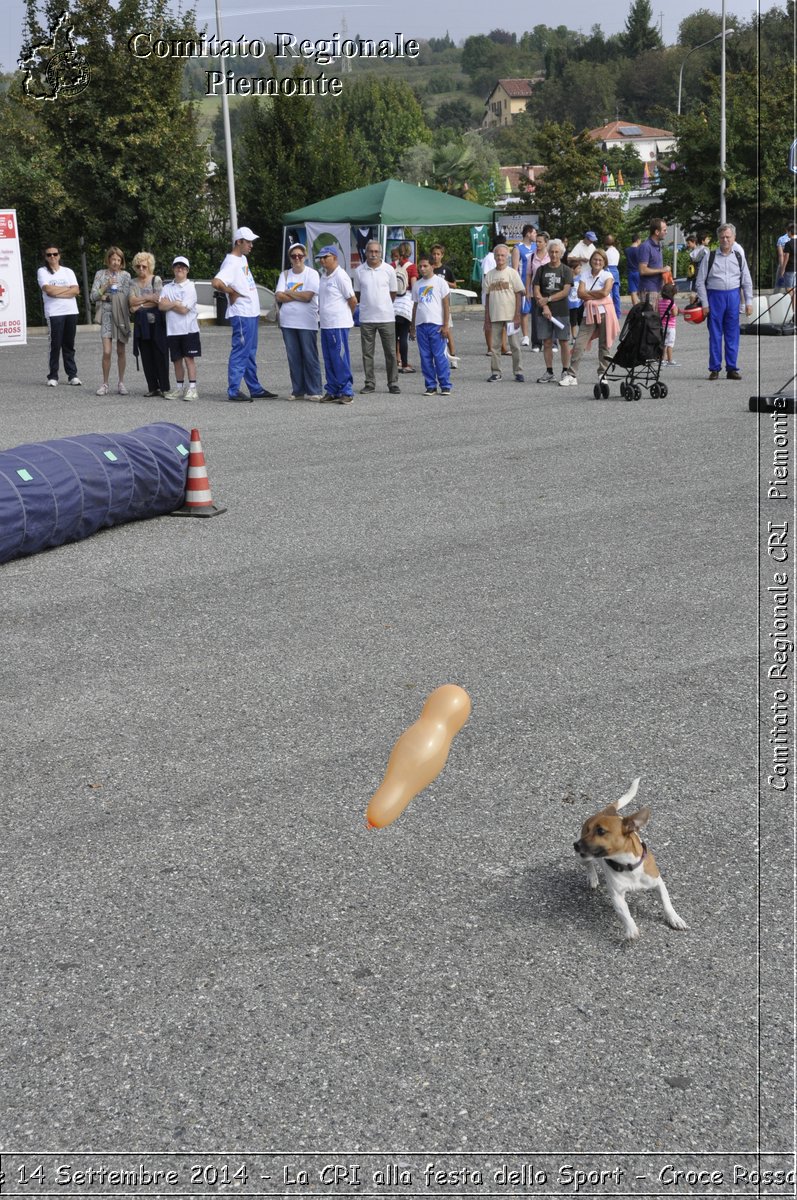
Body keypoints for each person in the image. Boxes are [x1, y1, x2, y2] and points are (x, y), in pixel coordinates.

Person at [212, 226, 277, 402]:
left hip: (250, 312)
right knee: (241, 350)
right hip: (241, 313)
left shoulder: (242, 260)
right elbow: (216, 282)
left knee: (249, 352)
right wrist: (231, 292)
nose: (251, 245)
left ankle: (254, 387)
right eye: (248, 242)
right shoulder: (231, 262)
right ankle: (233, 390)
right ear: (238, 242)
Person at [695, 222, 754, 381]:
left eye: (728, 237)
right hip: (715, 297)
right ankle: (714, 369)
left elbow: (746, 280)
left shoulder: (739, 256)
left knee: (732, 334)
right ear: (718, 239)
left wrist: (748, 301)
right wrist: (705, 304)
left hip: (733, 296)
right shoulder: (710, 257)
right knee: (715, 334)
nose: (725, 240)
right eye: (722, 237)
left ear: (734, 238)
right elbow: (700, 282)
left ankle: (732, 368)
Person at [560, 247, 618, 386]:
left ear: (604, 262)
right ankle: (571, 375)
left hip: (605, 312)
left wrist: (589, 294)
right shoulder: (585, 274)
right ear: (591, 261)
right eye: (595, 259)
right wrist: (595, 294)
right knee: (579, 343)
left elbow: (605, 292)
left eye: (600, 260)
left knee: (604, 345)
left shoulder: (607, 275)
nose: (597, 262)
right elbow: (580, 293)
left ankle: (602, 374)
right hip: (589, 313)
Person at [275, 244, 322, 401]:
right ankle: (298, 389)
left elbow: (309, 296)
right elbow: (279, 296)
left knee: (310, 356)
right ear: (290, 258)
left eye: (300, 255)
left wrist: (289, 293)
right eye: (294, 256)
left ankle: (314, 389)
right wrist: (297, 295)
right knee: (293, 357)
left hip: (307, 322)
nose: (297, 258)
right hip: (288, 322)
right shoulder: (285, 274)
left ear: (305, 256)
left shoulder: (312, 274)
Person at [354, 240, 400, 395]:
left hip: (386, 317)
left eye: (376, 252)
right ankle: (369, 383)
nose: (373, 254)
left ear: (381, 253)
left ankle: (393, 383)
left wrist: (383, 304)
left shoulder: (389, 270)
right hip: (367, 318)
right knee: (367, 354)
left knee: (390, 352)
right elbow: (358, 294)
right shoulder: (359, 271)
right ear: (366, 252)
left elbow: (393, 293)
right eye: (370, 251)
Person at [317, 245, 357, 404]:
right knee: (329, 358)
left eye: (325, 257)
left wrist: (346, 317)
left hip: (338, 324)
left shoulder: (341, 276)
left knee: (340, 358)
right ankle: (332, 389)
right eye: (320, 258)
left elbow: (352, 300)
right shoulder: (324, 276)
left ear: (334, 257)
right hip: (326, 324)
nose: (322, 260)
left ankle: (346, 390)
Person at [531, 239, 574, 385]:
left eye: (557, 252)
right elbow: (536, 290)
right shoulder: (541, 270)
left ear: (561, 253)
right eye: (552, 251)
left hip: (561, 311)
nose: (554, 254)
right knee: (547, 342)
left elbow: (565, 291)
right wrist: (544, 306)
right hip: (543, 312)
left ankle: (565, 370)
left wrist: (548, 299)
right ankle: (549, 371)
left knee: (563, 341)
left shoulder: (566, 270)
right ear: (548, 252)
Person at [38, 245, 81, 388]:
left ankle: (72, 375)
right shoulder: (42, 272)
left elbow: (76, 290)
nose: (52, 257)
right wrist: (66, 290)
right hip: (54, 312)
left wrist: (58, 292)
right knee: (55, 345)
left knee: (69, 345)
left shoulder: (68, 271)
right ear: (45, 257)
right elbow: (48, 290)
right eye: (49, 255)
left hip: (71, 311)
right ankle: (53, 375)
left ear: (59, 255)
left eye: (55, 254)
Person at [158, 256, 200, 400]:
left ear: (187, 270)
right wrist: (176, 303)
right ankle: (179, 388)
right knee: (176, 360)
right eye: (177, 266)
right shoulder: (167, 287)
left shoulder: (190, 287)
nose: (179, 268)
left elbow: (184, 310)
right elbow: (161, 306)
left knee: (189, 359)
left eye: (183, 266)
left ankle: (193, 389)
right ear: (173, 269)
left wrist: (171, 304)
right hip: (173, 331)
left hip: (189, 330)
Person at [90, 246, 131, 395]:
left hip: (121, 314)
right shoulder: (100, 274)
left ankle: (121, 383)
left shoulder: (126, 275)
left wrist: (108, 297)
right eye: (113, 259)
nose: (115, 262)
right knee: (107, 351)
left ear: (122, 262)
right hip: (106, 315)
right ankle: (105, 384)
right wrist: (106, 286)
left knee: (121, 350)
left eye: (118, 260)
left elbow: (126, 296)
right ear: (108, 260)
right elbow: (93, 296)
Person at [128, 251, 170, 397]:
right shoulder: (132, 282)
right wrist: (148, 297)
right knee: (146, 355)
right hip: (141, 324)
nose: (141, 269)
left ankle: (165, 388)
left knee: (160, 354)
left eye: (144, 266)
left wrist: (139, 305)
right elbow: (131, 302)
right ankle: (153, 387)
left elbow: (158, 300)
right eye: (138, 266)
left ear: (149, 266)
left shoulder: (156, 280)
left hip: (157, 323)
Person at [410, 254, 452, 396]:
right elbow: (415, 306)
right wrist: (412, 326)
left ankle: (445, 385)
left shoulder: (440, 283)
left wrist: (445, 325)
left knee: (439, 356)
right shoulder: (417, 285)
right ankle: (430, 385)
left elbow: (446, 305)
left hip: (436, 324)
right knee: (425, 357)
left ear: (432, 266)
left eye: (425, 266)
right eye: (420, 266)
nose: (422, 269)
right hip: (421, 325)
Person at [484, 243, 525, 383]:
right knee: (494, 346)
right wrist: (486, 319)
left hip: (510, 316)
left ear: (507, 257)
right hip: (495, 315)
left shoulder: (512, 273)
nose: (500, 258)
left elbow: (519, 294)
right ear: (494, 257)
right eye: (497, 255)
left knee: (515, 346)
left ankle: (518, 371)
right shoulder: (489, 275)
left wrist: (517, 315)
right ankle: (496, 372)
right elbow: (488, 297)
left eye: (502, 255)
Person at [430, 243, 459, 366]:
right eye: (434, 254)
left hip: (444, 304)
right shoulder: (429, 268)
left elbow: (454, 285)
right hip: (432, 304)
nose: (436, 256)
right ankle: (437, 357)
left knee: (447, 331)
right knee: (433, 332)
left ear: (442, 255)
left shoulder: (446, 270)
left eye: (438, 254)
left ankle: (453, 356)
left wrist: (444, 281)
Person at [481, 237, 509, 357]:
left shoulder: (503, 257)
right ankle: (490, 347)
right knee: (489, 321)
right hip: (490, 294)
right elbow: (487, 276)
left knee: (503, 322)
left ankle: (503, 347)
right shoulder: (489, 258)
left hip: (502, 295)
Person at [390, 247, 415, 374]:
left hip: (393, 304)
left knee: (394, 337)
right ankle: (405, 364)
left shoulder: (390, 266)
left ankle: (395, 362)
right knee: (404, 336)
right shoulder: (412, 267)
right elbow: (414, 286)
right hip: (405, 304)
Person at [511, 224, 537, 345]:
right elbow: (515, 269)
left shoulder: (536, 246)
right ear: (528, 233)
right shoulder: (518, 248)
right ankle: (525, 336)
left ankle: (539, 335)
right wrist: (518, 286)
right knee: (524, 311)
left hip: (535, 282)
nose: (536, 235)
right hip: (523, 282)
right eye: (534, 233)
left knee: (537, 310)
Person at [527, 231, 551, 352]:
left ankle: (552, 342)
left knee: (550, 316)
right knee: (536, 318)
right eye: (536, 241)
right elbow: (529, 275)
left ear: (546, 243)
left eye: (540, 241)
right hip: (535, 291)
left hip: (549, 291)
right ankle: (536, 343)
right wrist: (527, 291)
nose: (537, 243)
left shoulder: (551, 256)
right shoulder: (531, 257)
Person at [638, 218, 669, 306]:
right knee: (649, 318)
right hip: (648, 290)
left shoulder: (659, 245)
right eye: (664, 230)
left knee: (656, 319)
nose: (666, 232)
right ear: (657, 232)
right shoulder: (646, 246)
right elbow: (642, 270)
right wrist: (662, 270)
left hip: (658, 289)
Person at [658, 281, 679, 366]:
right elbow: (674, 313)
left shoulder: (660, 302)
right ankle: (670, 360)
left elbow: (658, 312)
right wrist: (676, 308)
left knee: (663, 343)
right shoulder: (672, 303)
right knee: (670, 344)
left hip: (662, 325)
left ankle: (662, 359)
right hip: (671, 326)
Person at [604, 234, 622, 319]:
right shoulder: (616, 251)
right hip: (616, 271)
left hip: (608, 271)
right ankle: (618, 313)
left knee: (609, 293)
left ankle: (610, 312)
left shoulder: (606, 253)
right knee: (616, 294)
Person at [624, 234, 642, 306]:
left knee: (633, 291)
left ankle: (635, 307)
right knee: (641, 291)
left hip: (630, 273)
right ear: (638, 240)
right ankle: (641, 307)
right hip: (638, 272)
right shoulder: (639, 250)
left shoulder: (627, 250)